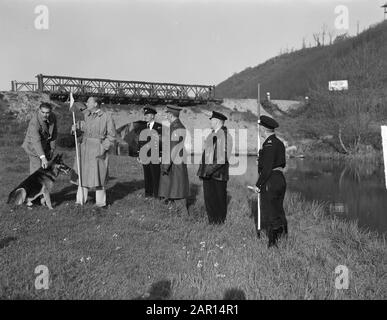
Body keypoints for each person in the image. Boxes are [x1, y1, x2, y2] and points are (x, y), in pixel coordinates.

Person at [71, 96, 116, 208]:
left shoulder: (106, 116)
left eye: (89, 101)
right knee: (83, 174)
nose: (86, 103)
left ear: (96, 104)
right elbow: (82, 129)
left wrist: (103, 147)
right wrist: (75, 128)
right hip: (85, 148)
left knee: (99, 175)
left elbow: (112, 136)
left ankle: (100, 203)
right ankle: (80, 201)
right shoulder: (86, 115)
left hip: (98, 148)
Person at [253, 115, 287, 248]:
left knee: (271, 212)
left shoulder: (268, 145)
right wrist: (261, 158)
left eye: (260, 128)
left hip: (271, 180)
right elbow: (281, 163)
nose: (259, 130)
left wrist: (258, 184)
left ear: (264, 129)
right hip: (280, 179)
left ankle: (273, 244)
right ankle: (283, 237)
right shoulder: (278, 143)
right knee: (278, 209)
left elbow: (267, 169)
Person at [197, 111, 232, 224]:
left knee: (219, 199)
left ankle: (220, 223)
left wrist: (209, 170)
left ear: (217, 121)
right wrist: (204, 170)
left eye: (211, 120)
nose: (210, 122)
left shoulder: (225, 135)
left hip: (218, 174)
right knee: (209, 199)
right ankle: (211, 222)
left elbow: (223, 157)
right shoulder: (212, 134)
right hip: (208, 173)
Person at [158, 105, 189, 214]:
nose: (165, 115)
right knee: (173, 190)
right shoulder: (175, 126)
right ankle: (174, 216)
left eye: (166, 113)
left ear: (170, 114)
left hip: (175, 164)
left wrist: (165, 166)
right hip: (175, 163)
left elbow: (173, 149)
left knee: (177, 193)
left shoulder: (176, 128)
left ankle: (184, 219)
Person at [22, 102, 57, 174]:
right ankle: (33, 185)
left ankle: (41, 184)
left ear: (51, 111)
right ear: (39, 110)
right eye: (43, 112)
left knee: (45, 169)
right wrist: (43, 158)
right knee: (37, 170)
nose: (45, 115)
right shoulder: (34, 123)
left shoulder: (53, 117)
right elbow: (36, 141)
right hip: (32, 147)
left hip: (45, 145)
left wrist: (52, 149)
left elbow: (54, 134)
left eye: (47, 113)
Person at [137, 106, 162, 199]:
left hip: (155, 155)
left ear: (152, 116)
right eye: (145, 115)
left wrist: (160, 155)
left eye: (147, 115)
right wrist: (139, 154)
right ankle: (148, 194)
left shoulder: (159, 127)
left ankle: (157, 195)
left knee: (156, 175)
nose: (145, 116)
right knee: (147, 174)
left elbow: (162, 142)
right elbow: (140, 142)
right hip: (145, 155)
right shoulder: (143, 127)